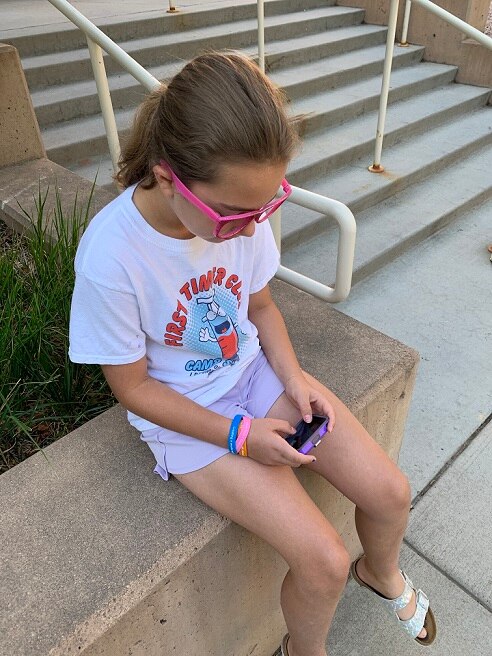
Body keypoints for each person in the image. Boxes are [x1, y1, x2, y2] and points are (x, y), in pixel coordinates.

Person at [69, 51, 436, 656]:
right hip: (184, 415)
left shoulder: (241, 211)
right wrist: (239, 435)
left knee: (391, 493)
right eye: (235, 214)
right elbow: (134, 389)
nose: (251, 227)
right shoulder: (112, 258)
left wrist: (294, 379)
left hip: (255, 374)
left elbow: (260, 307)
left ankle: (381, 573)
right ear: (166, 175)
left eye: (268, 207)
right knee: (321, 561)